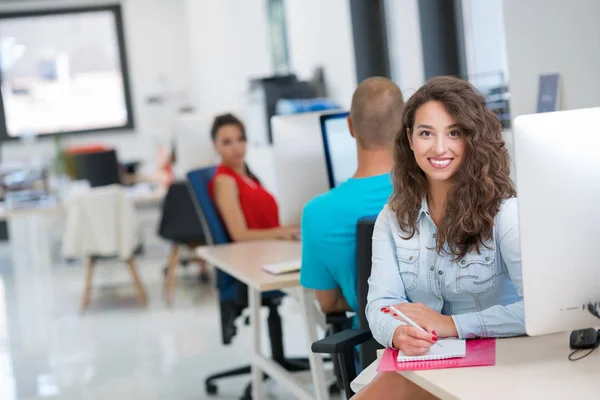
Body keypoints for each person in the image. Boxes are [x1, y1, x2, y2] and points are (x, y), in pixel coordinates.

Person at [356, 76, 523, 399]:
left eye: (454, 133)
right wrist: (398, 332)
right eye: (426, 133)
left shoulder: (505, 214)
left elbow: (535, 311)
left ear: (473, 139)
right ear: (409, 139)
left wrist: (452, 325)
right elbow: (380, 303)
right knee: (406, 381)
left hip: (500, 361)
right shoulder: (393, 217)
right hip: (424, 362)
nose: (439, 148)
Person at [300, 77, 403, 315]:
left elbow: (329, 304)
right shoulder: (432, 193)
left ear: (350, 126)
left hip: (372, 349)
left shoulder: (316, 213)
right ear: (404, 127)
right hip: (447, 342)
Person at [209, 113, 300, 241]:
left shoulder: (249, 177)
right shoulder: (225, 181)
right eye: (227, 142)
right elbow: (240, 235)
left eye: (240, 139)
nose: (236, 148)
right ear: (215, 146)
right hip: (261, 251)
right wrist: (283, 232)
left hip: (276, 243)